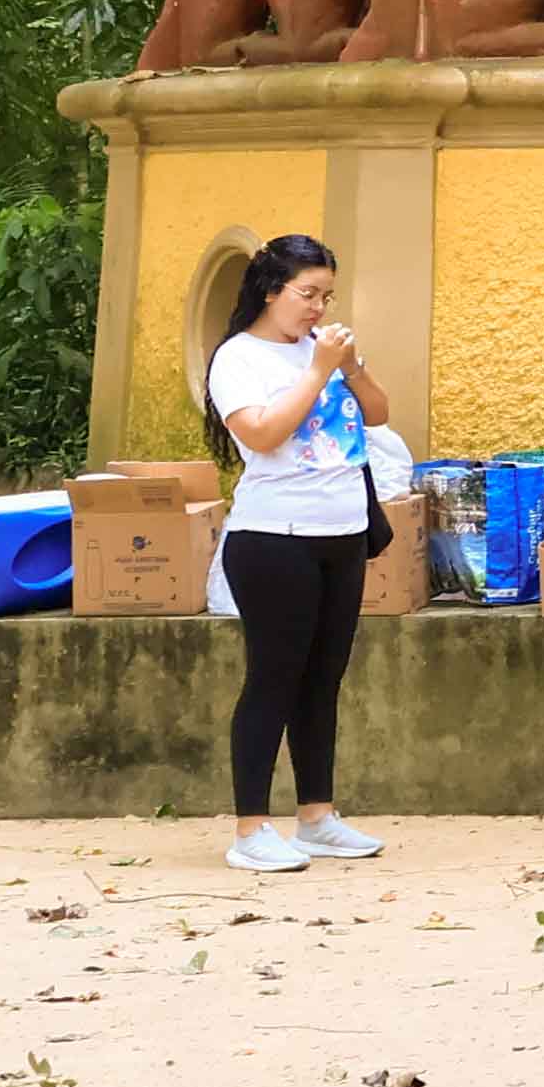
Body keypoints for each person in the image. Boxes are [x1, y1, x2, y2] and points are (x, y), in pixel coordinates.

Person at [206, 235, 393, 876]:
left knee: (323, 681)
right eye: (306, 294)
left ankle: (316, 815)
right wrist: (316, 374)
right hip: (272, 539)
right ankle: (250, 828)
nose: (316, 308)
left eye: (326, 296)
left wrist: (349, 367)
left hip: (341, 533)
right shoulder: (238, 358)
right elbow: (261, 432)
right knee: (273, 680)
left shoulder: (325, 351)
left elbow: (378, 413)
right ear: (270, 291)